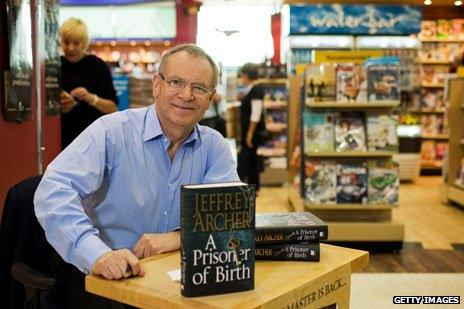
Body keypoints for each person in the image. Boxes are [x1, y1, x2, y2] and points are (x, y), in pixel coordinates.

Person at [34, 44, 239, 304]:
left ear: (210, 100)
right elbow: (52, 190)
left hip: (173, 280)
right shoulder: (111, 132)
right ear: (156, 85)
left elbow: (228, 218)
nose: (187, 95)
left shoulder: (214, 147)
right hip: (101, 278)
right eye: (176, 82)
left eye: (199, 88)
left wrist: (178, 238)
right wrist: (96, 254)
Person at [59, 18, 118, 148]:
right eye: (66, 42)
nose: (70, 48)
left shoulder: (98, 66)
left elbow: (113, 108)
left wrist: (90, 98)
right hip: (60, 140)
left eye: (76, 43)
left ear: (84, 43)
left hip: (93, 141)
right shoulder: (54, 66)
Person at [237, 63, 265, 191]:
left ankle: (245, 186)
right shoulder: (251, 90)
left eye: (242, 75)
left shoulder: (256, 90)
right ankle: (253, 187)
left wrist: (250, 134)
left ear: (246, 75)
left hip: (251, 133)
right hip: (248, 132)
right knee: (251, 159)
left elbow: (256, 114)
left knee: (247, 159)